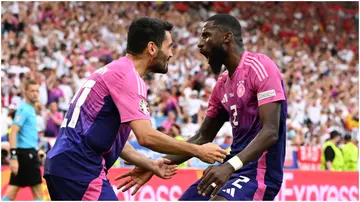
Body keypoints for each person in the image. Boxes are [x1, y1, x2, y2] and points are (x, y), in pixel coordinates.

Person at [44, 17, 227, 200]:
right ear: (152, 48)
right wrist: (198, 150)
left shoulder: (113, 70)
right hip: (80, 168)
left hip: (62, 164)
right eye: (169, 46)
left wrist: (149, 164)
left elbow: (114, 140)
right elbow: (146, 137)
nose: (171, 54)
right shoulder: (129, 77)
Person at [116, 14, 288, 201]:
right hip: (231, 168)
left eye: (206, 35)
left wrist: (229, 166)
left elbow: (271, 131)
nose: (200, 44)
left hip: (259, 173)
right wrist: (158, 163)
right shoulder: (222, 83)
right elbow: (202, 137)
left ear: (226, 37)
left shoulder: (261, 67)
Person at [2, 80, 43, 201]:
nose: (35, 94)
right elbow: (13, 132)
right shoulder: (24, 109)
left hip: (26, 153)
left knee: (11, 193)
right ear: (25, 92)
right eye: (32, 91)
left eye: (37, 91)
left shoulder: (30, 108)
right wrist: (13, 157)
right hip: (26, 155)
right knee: (39, 194)